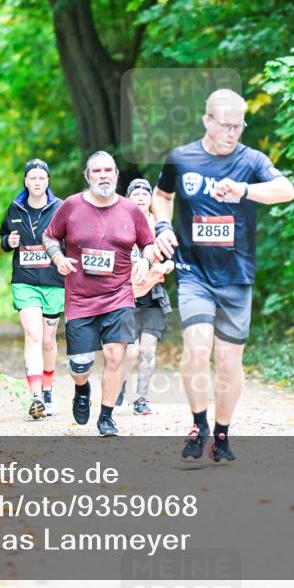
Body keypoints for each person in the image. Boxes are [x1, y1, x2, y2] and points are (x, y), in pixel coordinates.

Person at [153, 89, 294, 461]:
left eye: (239, 125)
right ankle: (198, 425)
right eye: (226, 125)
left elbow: (286, 190)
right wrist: (162, 228)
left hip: (236, 274)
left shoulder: (251, 160)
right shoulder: (180, 158)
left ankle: (223, 434)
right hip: (193, 271)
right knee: (197, 348)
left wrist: (245, 191)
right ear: (207, 121)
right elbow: (162, 196)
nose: (233, 133)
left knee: (229, 363)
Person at [42, 151, 160, 437]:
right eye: (97, 171)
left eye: (109, 170)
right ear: (87, 176)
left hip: (119, 294)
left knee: (115, 355)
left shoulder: (130, 210)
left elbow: (148, 243)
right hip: (80, 298)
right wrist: (57, 258)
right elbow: (49, 236)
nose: (103, 175)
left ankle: (106, 416)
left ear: (117, 175)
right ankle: (82, 389)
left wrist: (145, 261)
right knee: (79, 365)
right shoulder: (71, 206)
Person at [0, 159, 65, 420]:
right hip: (24, 280)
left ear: (47, 181)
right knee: (33, 334)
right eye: (32, 178)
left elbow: (72, 239)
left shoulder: (60, 208)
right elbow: (4, 239)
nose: (37, 182)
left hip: (52, 281)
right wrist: (8, 241)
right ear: (25, 181)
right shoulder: (15, 208)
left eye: (41, 178)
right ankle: (35, 395)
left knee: (48, 341)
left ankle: (48, 390)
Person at [115, 178, 174, 415]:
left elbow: (173, 259)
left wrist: (166, 267)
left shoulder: (161, 227)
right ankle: (117, 384)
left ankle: (141, 399)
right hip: (125, 296)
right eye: (135, 193)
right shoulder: (118, 225)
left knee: (148, 350)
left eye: (145, 193)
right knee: (131, 352)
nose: (140, 196)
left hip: (153, 295)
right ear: (128, 198)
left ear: (151, 199)